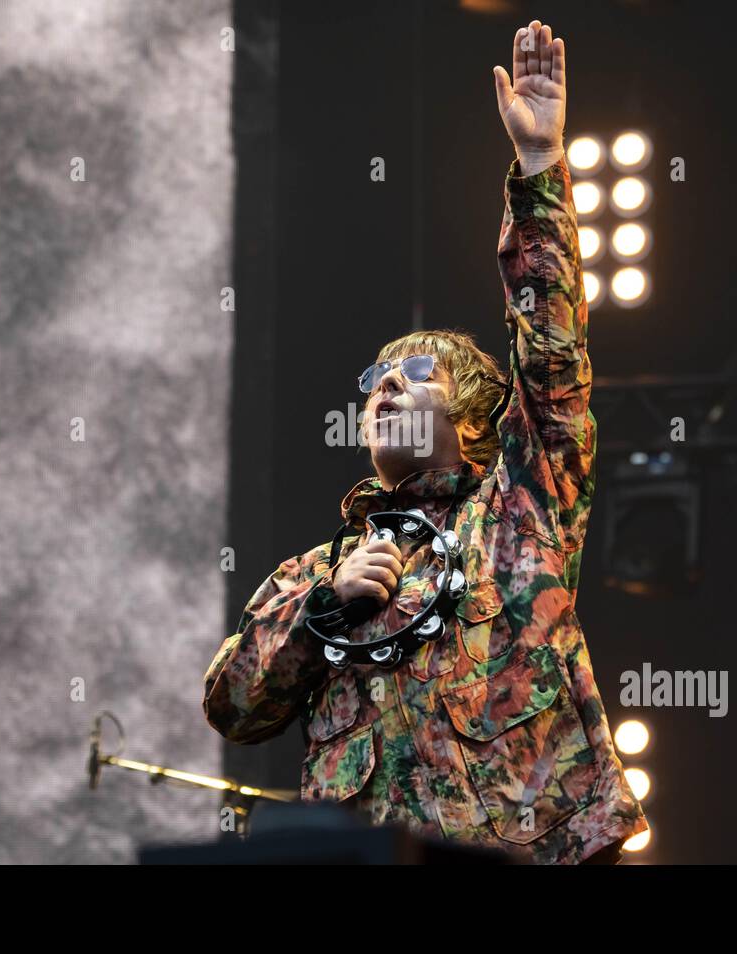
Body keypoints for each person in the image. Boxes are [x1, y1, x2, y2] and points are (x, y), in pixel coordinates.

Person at [204, 20, 648, 865]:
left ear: (476, 417)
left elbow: (551, 353)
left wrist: (541, 169)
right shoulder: (315, 574)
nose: (387, 388)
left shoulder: (521, 509)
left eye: (416, 373)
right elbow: (232, 706)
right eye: (373, 382)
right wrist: (320, 613)